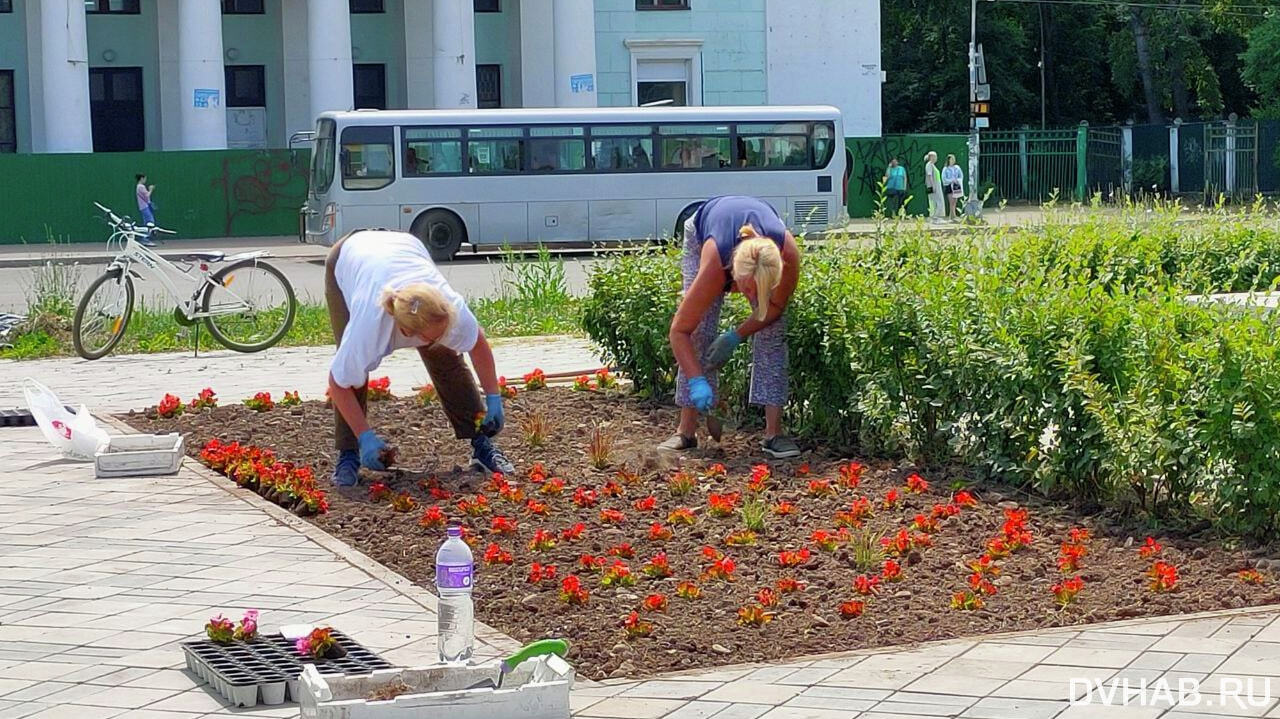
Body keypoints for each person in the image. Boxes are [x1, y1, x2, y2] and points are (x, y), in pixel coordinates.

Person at [324, 229, 515, 487]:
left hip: (402, 246)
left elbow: (477, 343)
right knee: (351, 370)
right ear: (405, 332)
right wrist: (365, 436)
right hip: (347, 257)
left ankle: (481, 443)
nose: (438, 340)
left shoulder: (448, 307)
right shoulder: (369, 327)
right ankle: (348, 454)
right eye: (430, 337)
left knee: (446, 357)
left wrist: (493, 397)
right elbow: (338, 382)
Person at [662, 195, 802, 459]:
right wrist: (696, 380)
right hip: (705, 231)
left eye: (764, 289)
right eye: (748, 290)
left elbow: (774, 309)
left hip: (751, 250)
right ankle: (686, 431)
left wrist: (737, 335)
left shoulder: (786, 257)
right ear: (734, 276)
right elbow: (680, 330)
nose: (751, 298)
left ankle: (774, 434)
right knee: (700, 329)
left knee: (773, 331)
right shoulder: (715, 265)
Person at [135, 173, 158, 247]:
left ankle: (144, 239)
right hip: (145, 207)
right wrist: (150, 190)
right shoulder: (141, 187)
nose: (145, 180)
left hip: (144, 207)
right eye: (145, 178)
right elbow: (147, 196)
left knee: (146, 223)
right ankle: (145, 239)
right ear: (141, 178)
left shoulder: (139, 187)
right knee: (150, 222)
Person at [941, 154, 964, 221]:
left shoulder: (957, 167)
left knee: (955, 201)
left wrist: (958, 180)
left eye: (954, 159)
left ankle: (952, 216)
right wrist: (951, 180)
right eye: (951, 159)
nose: (953, 160)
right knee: (951, 202)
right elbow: (944, 179)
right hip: (949, 186)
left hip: (956, 186)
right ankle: (953, 216)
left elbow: (961, 175)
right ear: (948, 160)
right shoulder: (945, 168)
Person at [924, 152, 945, 223]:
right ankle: (935, 217)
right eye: (935, 156)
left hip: (936, 185)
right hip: (933, 186)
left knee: (939, 200)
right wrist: (933, 186)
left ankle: (937, 217)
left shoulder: (932, 165)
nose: (936, 158)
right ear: (931, 157)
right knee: (936, 201)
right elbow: (929, 176)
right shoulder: (929, 165)